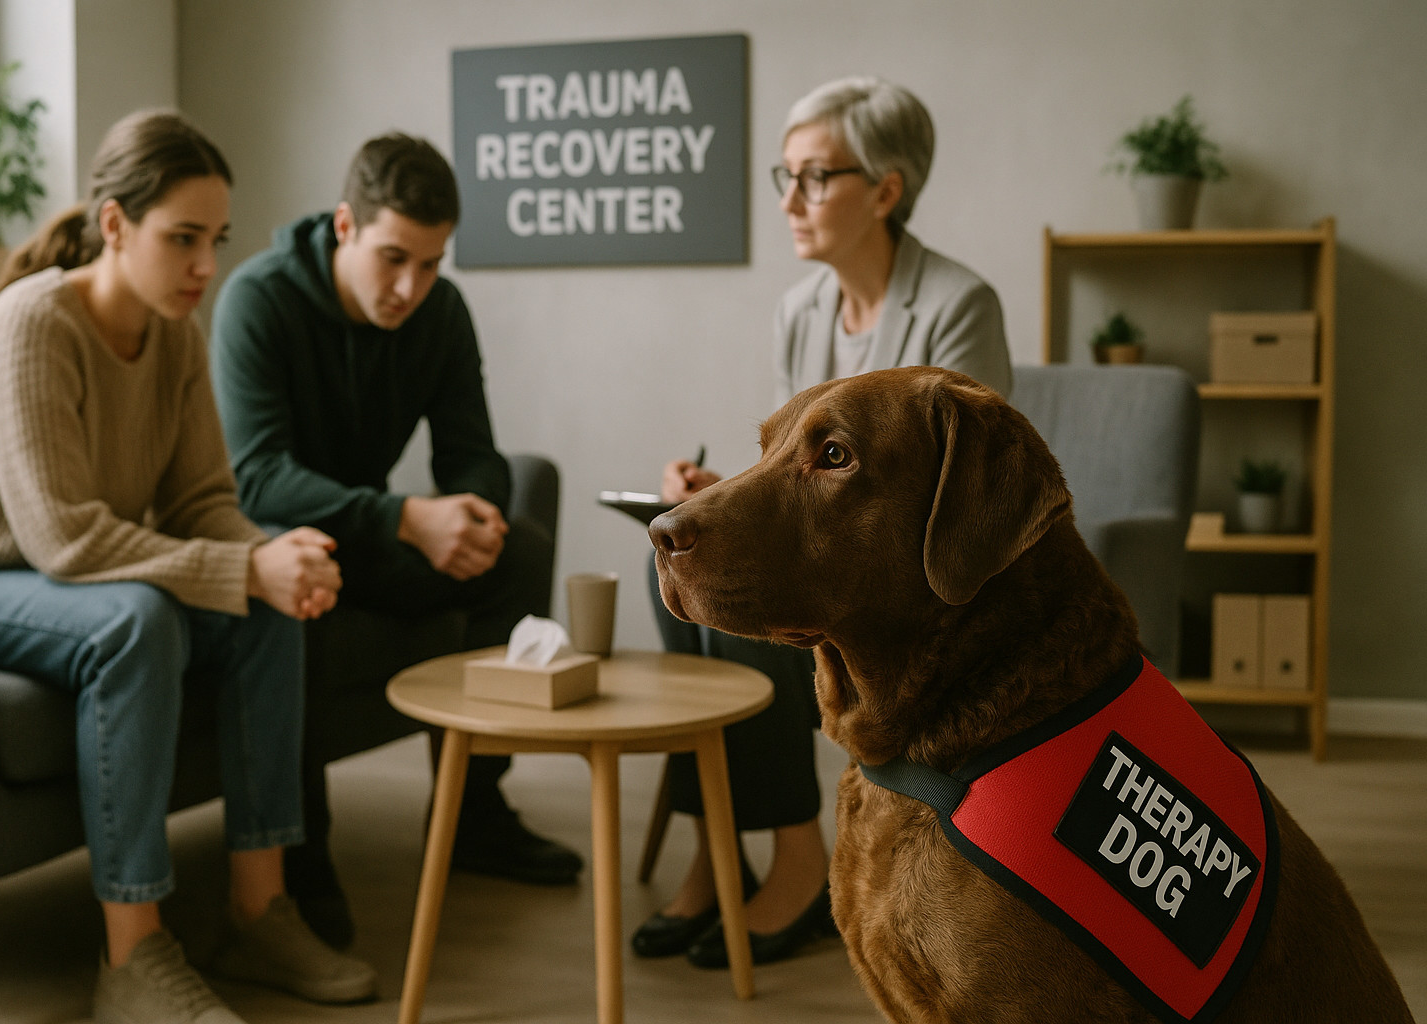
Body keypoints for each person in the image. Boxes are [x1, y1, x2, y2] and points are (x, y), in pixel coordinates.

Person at [0, 110, 376, 1023]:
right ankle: (132, 954)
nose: (205, 266)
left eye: (215, 240)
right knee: (136, 622)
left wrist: (268, 557)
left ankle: (258, 910)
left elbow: (200, 501)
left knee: (268, 607)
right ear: (114, 224)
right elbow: (65, 539)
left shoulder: (176, 335)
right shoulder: (33, 322)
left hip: (59, 578)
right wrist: (241, 569)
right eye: (181, 238)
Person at [637, 76, 1015, 969]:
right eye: (787, 176)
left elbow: (961, 488)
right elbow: (795, 468)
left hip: (908, 577)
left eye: (814, 177)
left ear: (885, 190)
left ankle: (798, 859)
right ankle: (718, 845)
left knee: (734, 602)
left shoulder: (959, 303)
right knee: (676, 564)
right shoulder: (800, 310)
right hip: (832, 545)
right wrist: (720, 490)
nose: (789, 200)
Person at [210, 131, 583, 947]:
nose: (411, 286)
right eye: (393, 259)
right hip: (284, 544)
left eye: (432, 263)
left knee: (517, 549)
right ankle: (300, 855)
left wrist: (474, 514)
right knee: (299, 585)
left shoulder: (438, 311)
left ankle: (475, 811)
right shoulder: (256, 299)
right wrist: (410, 519)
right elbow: (257, 476)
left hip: (369, 537)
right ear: (345, 225)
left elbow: (472, 452)